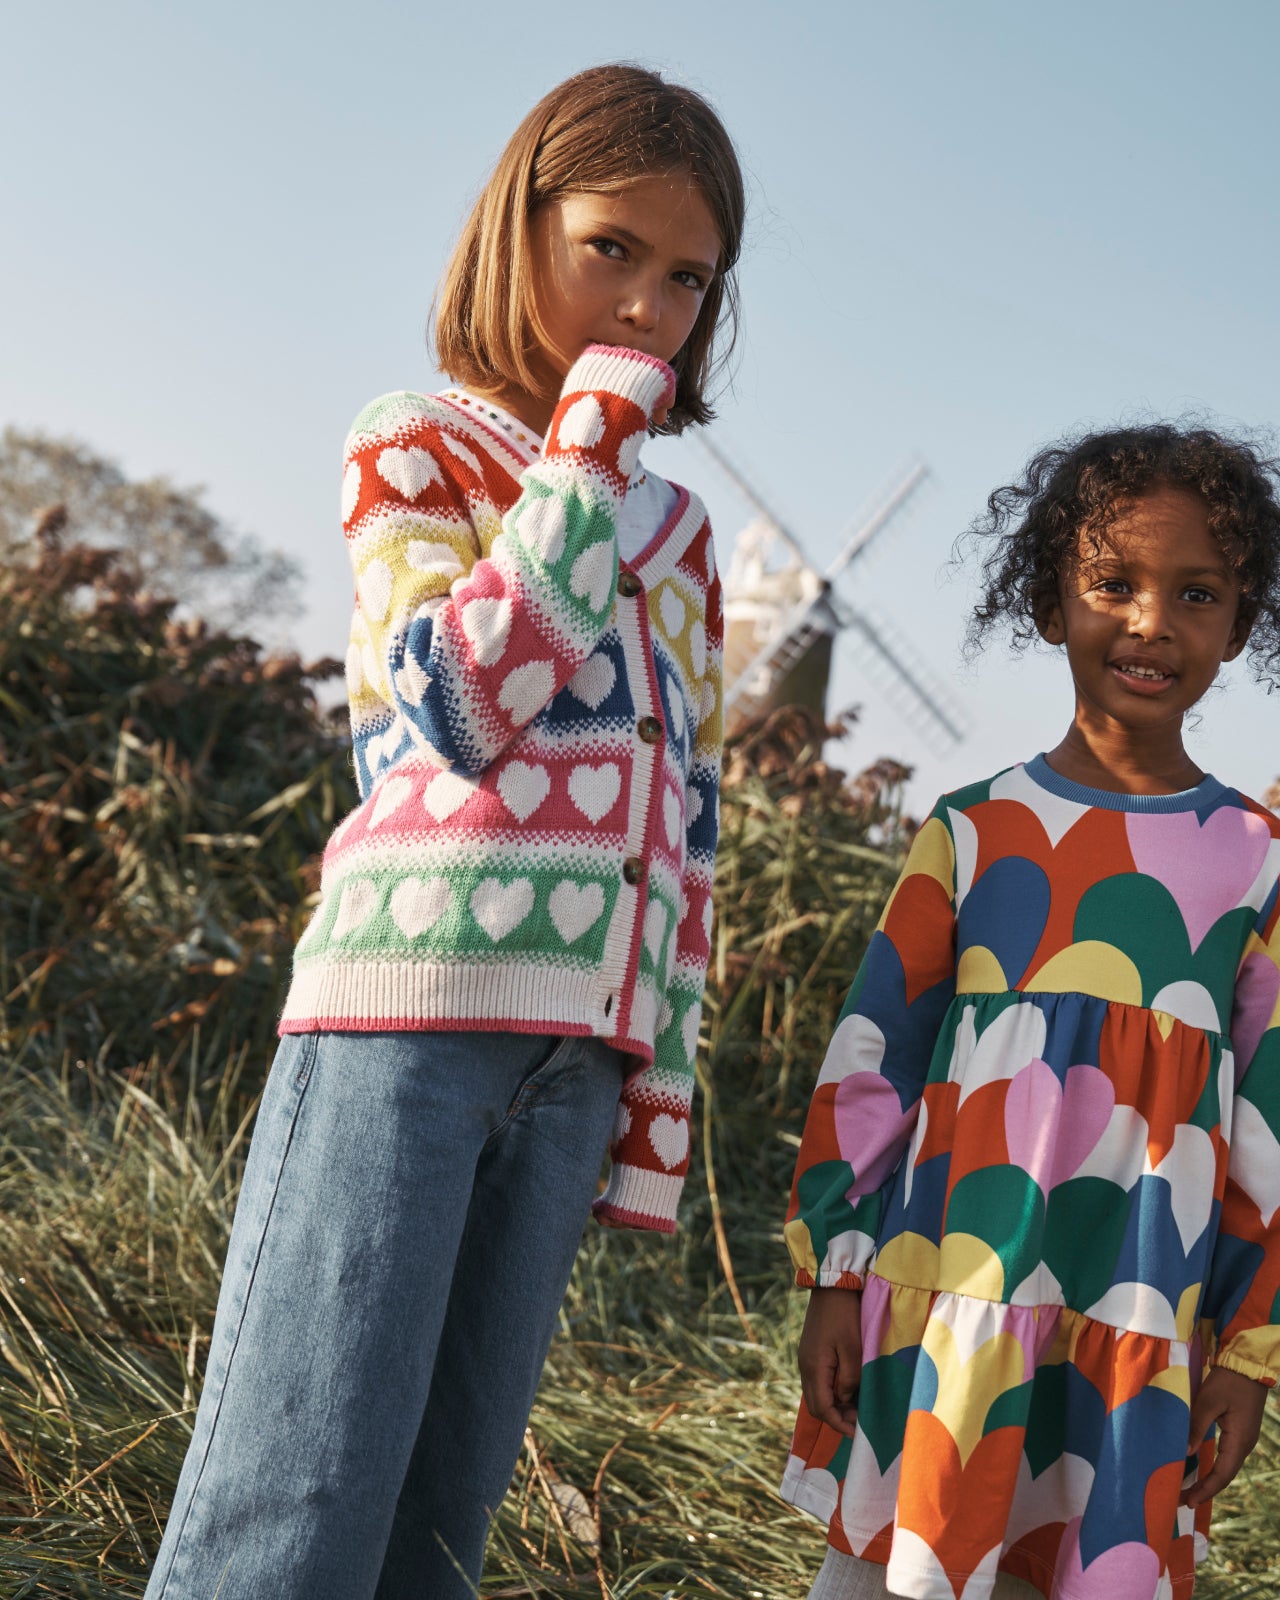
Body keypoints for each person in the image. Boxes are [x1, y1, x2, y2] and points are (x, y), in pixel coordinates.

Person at [144, 63, 743, 1600]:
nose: (650, 306)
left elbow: (689, 841)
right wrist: (586, 451)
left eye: (688, 277)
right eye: (613, 246)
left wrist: (654, 1089)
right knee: (293, 1511)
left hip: (573, 1069)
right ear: (518, 226)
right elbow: (455, 712)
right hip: (405, 1023)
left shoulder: (684, 546)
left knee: (436, 1536)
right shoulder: (415, 442)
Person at [781, 423, 1280, 1600]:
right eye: (1112, 584)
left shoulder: (1256, 868)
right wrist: (835, 1273)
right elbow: (870, 1066)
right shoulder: (966, 832)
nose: (1149, 621)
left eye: (1194, 593)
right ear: (1050, 600)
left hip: (1134, 1334)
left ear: (1239, 624)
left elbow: (1269, 1128)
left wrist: (1251, 1352)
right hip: (942, 1316)